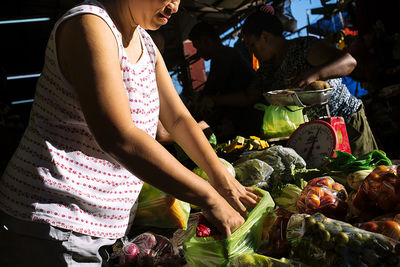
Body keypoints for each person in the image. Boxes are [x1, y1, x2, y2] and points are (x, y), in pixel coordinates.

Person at [0, 0, 261, 266]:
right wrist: (209, 197)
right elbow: (119, 136)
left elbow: (179, 119)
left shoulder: (145, 43)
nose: (174, 6)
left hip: (102, 230)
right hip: (57, 223)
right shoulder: (89, 25)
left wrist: (224, 182)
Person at [240, 7, 378, 157]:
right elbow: (249, 97)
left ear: (265, 37)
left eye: (252, 45)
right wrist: (213, 99)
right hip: (315, 139)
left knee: (368, 175)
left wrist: (315, 74)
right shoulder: (267, 69)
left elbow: (349, 62)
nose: (252, 52)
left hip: (346, 123)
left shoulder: (304, 47)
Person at [188, 22, 260, 140]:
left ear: (206, 41)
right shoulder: (224, 55)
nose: (198, 53)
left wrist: (201, 100)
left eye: (198, 47)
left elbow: (211, 91)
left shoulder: (224, 56)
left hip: (248, 118)